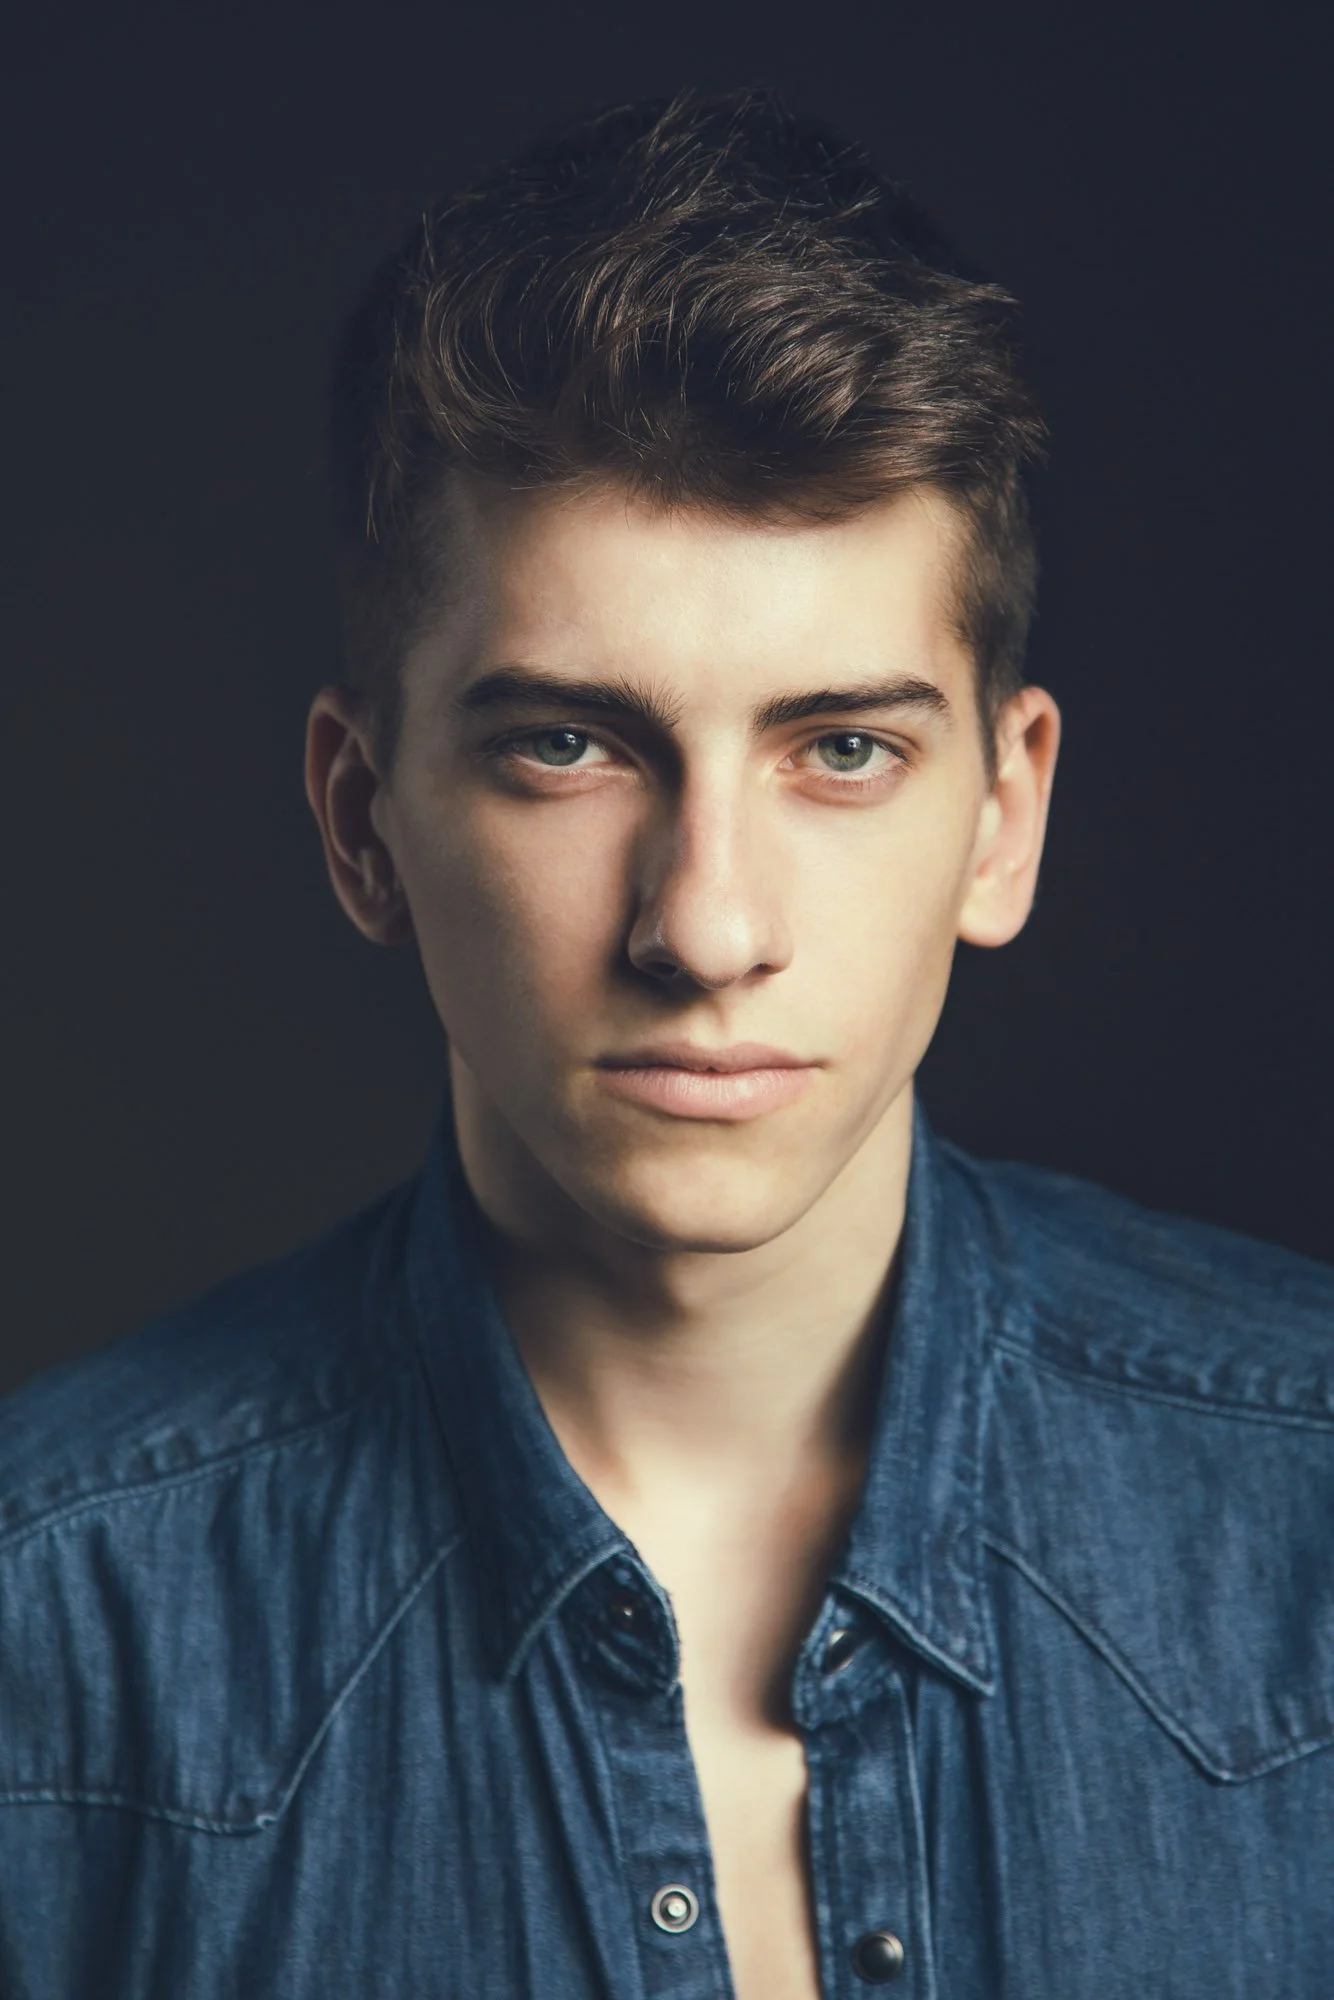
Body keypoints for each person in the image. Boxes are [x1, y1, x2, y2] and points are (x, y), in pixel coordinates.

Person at [1, 86, 1330, 2000]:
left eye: (842, 750)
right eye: (567, 746)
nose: (704, 926)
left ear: (1003, 814)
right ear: (360, 817)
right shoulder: (59, 1639)